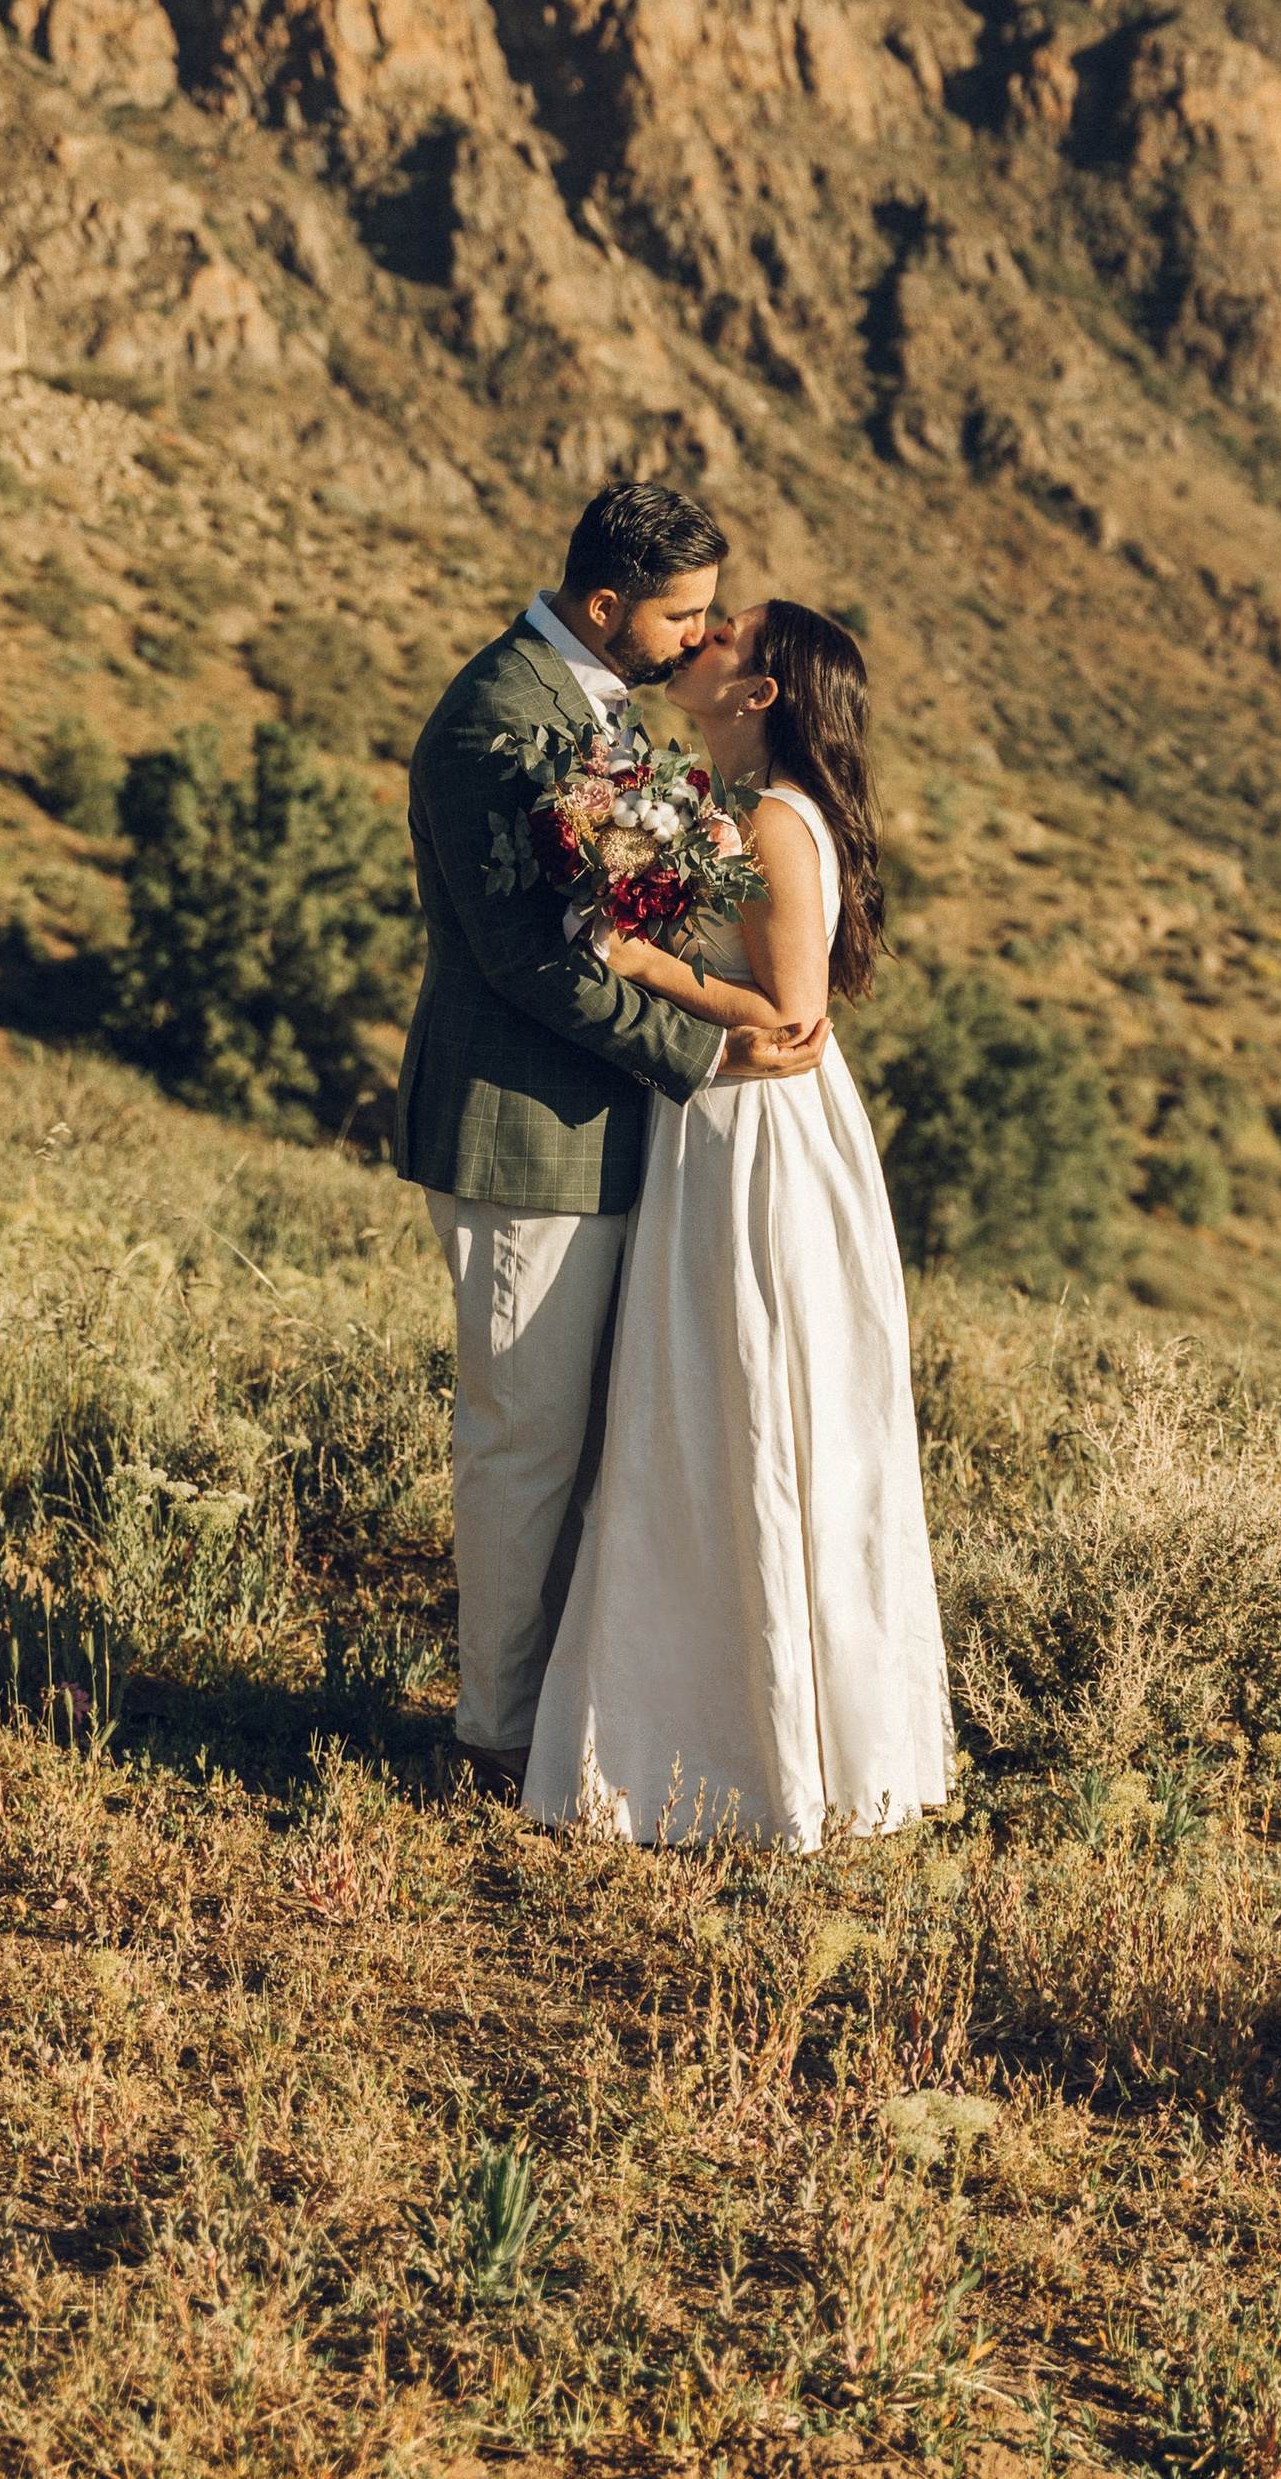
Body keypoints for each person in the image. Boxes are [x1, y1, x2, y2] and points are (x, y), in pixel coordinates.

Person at [396, 484, 827, 1802]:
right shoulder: (496, 724)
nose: (698, 639)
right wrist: (706, 1051)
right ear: (606, 607)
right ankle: (494, 1738)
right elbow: (532, 967)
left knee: (602, 1444)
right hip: (523, 1133)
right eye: (680, 614)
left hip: (613, 1130)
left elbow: (634, 926)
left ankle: (578, 1716)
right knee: (522, 1441)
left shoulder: (595, 710)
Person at [522, 598, 955, 1852]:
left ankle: (750, 1757)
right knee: (706, 1412)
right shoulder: (722, 807)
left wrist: (635, 960)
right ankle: (702, 1731)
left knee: (750, 1407)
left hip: (757, 1142)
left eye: (723, 638)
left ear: (758, 692)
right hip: (711, 1120)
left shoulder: (773, 822)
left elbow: (783, 1015)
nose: (696, 641)